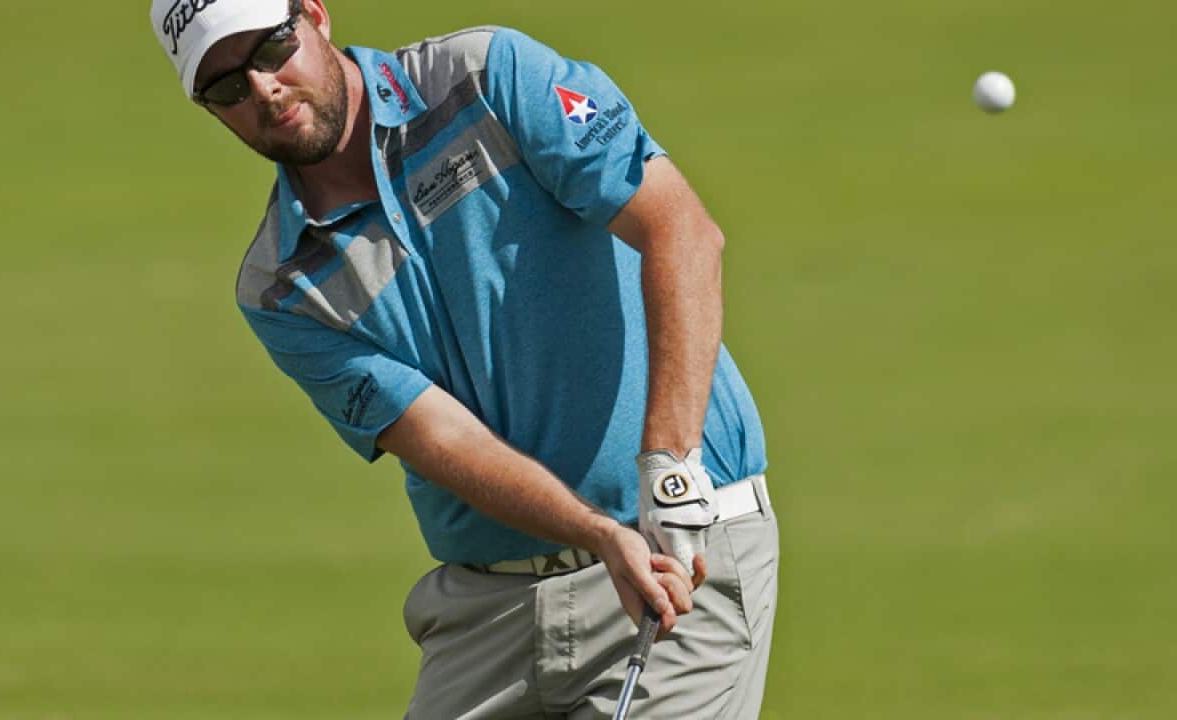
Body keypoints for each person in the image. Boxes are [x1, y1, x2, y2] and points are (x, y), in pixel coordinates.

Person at [149, 0, 779, 716]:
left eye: (270, 48)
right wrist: (596, 533)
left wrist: (668, 468)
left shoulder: (484, 77)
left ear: (315, 16)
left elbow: (681, 231)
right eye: (227, 85)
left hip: (675, 557)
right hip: (487, 615)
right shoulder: (281, 287)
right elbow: (440, 437)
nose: (262, 87)